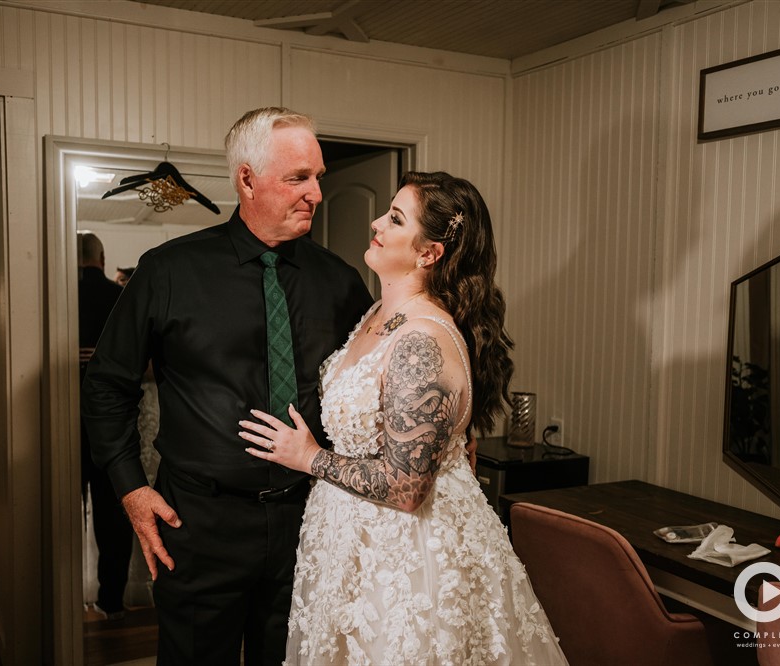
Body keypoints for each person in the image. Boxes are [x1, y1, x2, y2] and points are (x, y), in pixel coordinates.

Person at [81, 107, 373, 665]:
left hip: (309, 525)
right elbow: (106, 385)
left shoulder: (340, 282)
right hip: (199, 526)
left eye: (317, 177)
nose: (315, 193)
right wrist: (133, 491)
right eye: (297, 178)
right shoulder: (166, 272)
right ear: (246, 179)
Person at [239, 172, 569, 664]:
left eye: (395, 218)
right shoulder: (377, 312)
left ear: (428, 253)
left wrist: (309, 457)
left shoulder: (420, 341)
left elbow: (406, 487)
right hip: (352, 543)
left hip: (406, 557)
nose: (376, 222)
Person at [77, 231, 134, 621]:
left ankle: (57, 594)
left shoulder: (57, 297)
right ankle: (110, 597)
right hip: (112, 421)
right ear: (101, 256)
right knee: (114, 512)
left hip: (61, 420)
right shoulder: (119, 297)